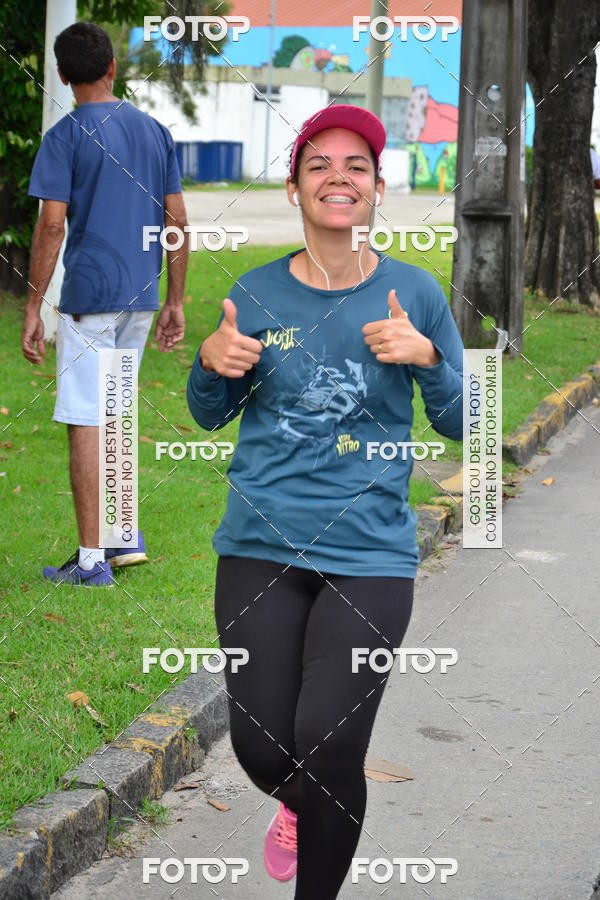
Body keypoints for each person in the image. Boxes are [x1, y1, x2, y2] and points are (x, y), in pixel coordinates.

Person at [187, 104, 465, 898]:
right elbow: (209, 412)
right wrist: (213, 363)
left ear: (377, 190)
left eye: (355, 166)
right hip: (260, 544)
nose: (337, 178)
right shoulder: (255, 290)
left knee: (328, 741)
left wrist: (428, 361)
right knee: (265, 749)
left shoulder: (414, 292)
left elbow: (463, 423)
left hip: (369, 553)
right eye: (319, 165)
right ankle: (304, 809)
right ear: (293, 189)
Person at [23, 22, 189, 586]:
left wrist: (32, 308)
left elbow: (50, 226)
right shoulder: (155, 132)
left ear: (65, 76)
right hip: (140, 299)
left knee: (84, 419)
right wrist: (176, 299)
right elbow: (177, 222)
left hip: (90, 301)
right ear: (113, 67)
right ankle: (120, 539)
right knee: (115, 411)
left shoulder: (65, 136)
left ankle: (93, 560)